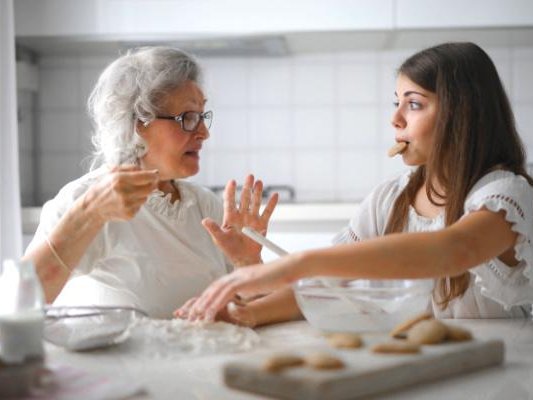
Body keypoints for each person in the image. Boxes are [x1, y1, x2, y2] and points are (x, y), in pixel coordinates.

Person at [180, 42, 533, 322]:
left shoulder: (506, 195)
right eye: (397, 103)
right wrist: (251, 310)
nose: (395, 118)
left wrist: (301, 261)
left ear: (462, 113)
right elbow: (328, 285)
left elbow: (456, 250)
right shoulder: (389, 199)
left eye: (413, 104)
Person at [23, 47, 279, 319]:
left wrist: (248, 263)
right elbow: (19, 302)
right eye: (188, 118)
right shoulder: (86, 199)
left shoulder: (204, 205)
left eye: (202, 116)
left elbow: (250, 310)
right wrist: (88, 215)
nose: (204, 132)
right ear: (137, 122)